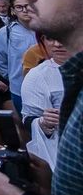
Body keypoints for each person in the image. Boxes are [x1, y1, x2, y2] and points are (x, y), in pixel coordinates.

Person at [20, 34, 68, 164]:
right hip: (64, 153)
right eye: (50, 38)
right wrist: (44, 123)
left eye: (64, 35)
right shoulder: (37, 76)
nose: (57, 44)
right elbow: (29, 119)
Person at [0, 0, 38, 113]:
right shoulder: (5, 33)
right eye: (19, 7)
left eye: (28, 6)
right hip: (20, 88)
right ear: (13, 10)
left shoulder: (46, 28)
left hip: (49, 86)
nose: (25, 10)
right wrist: (13, 76)